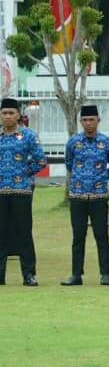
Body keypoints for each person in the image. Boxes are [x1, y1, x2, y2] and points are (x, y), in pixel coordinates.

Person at [62, 104, 109, 286]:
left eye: (91, 120)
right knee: (78, 236)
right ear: (80, 121)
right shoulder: (73, 142)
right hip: (78, 196)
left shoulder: (107, 142)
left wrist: (100, 178)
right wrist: (81, 179)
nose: (88, 123)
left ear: (98, 121)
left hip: (98, 196)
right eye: (85, 120)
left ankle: (105, 274)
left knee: (101, 236)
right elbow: (69, 163)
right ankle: (76, 275)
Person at [0, 98, 47, 286]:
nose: (8, 116)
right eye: (4, 113)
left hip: (22, 191)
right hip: (0, 191)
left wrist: (24, 173)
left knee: (24, 233)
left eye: (11, 113)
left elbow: (41, 160)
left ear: (18, 115)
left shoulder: (28, 135)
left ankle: (29, 274)